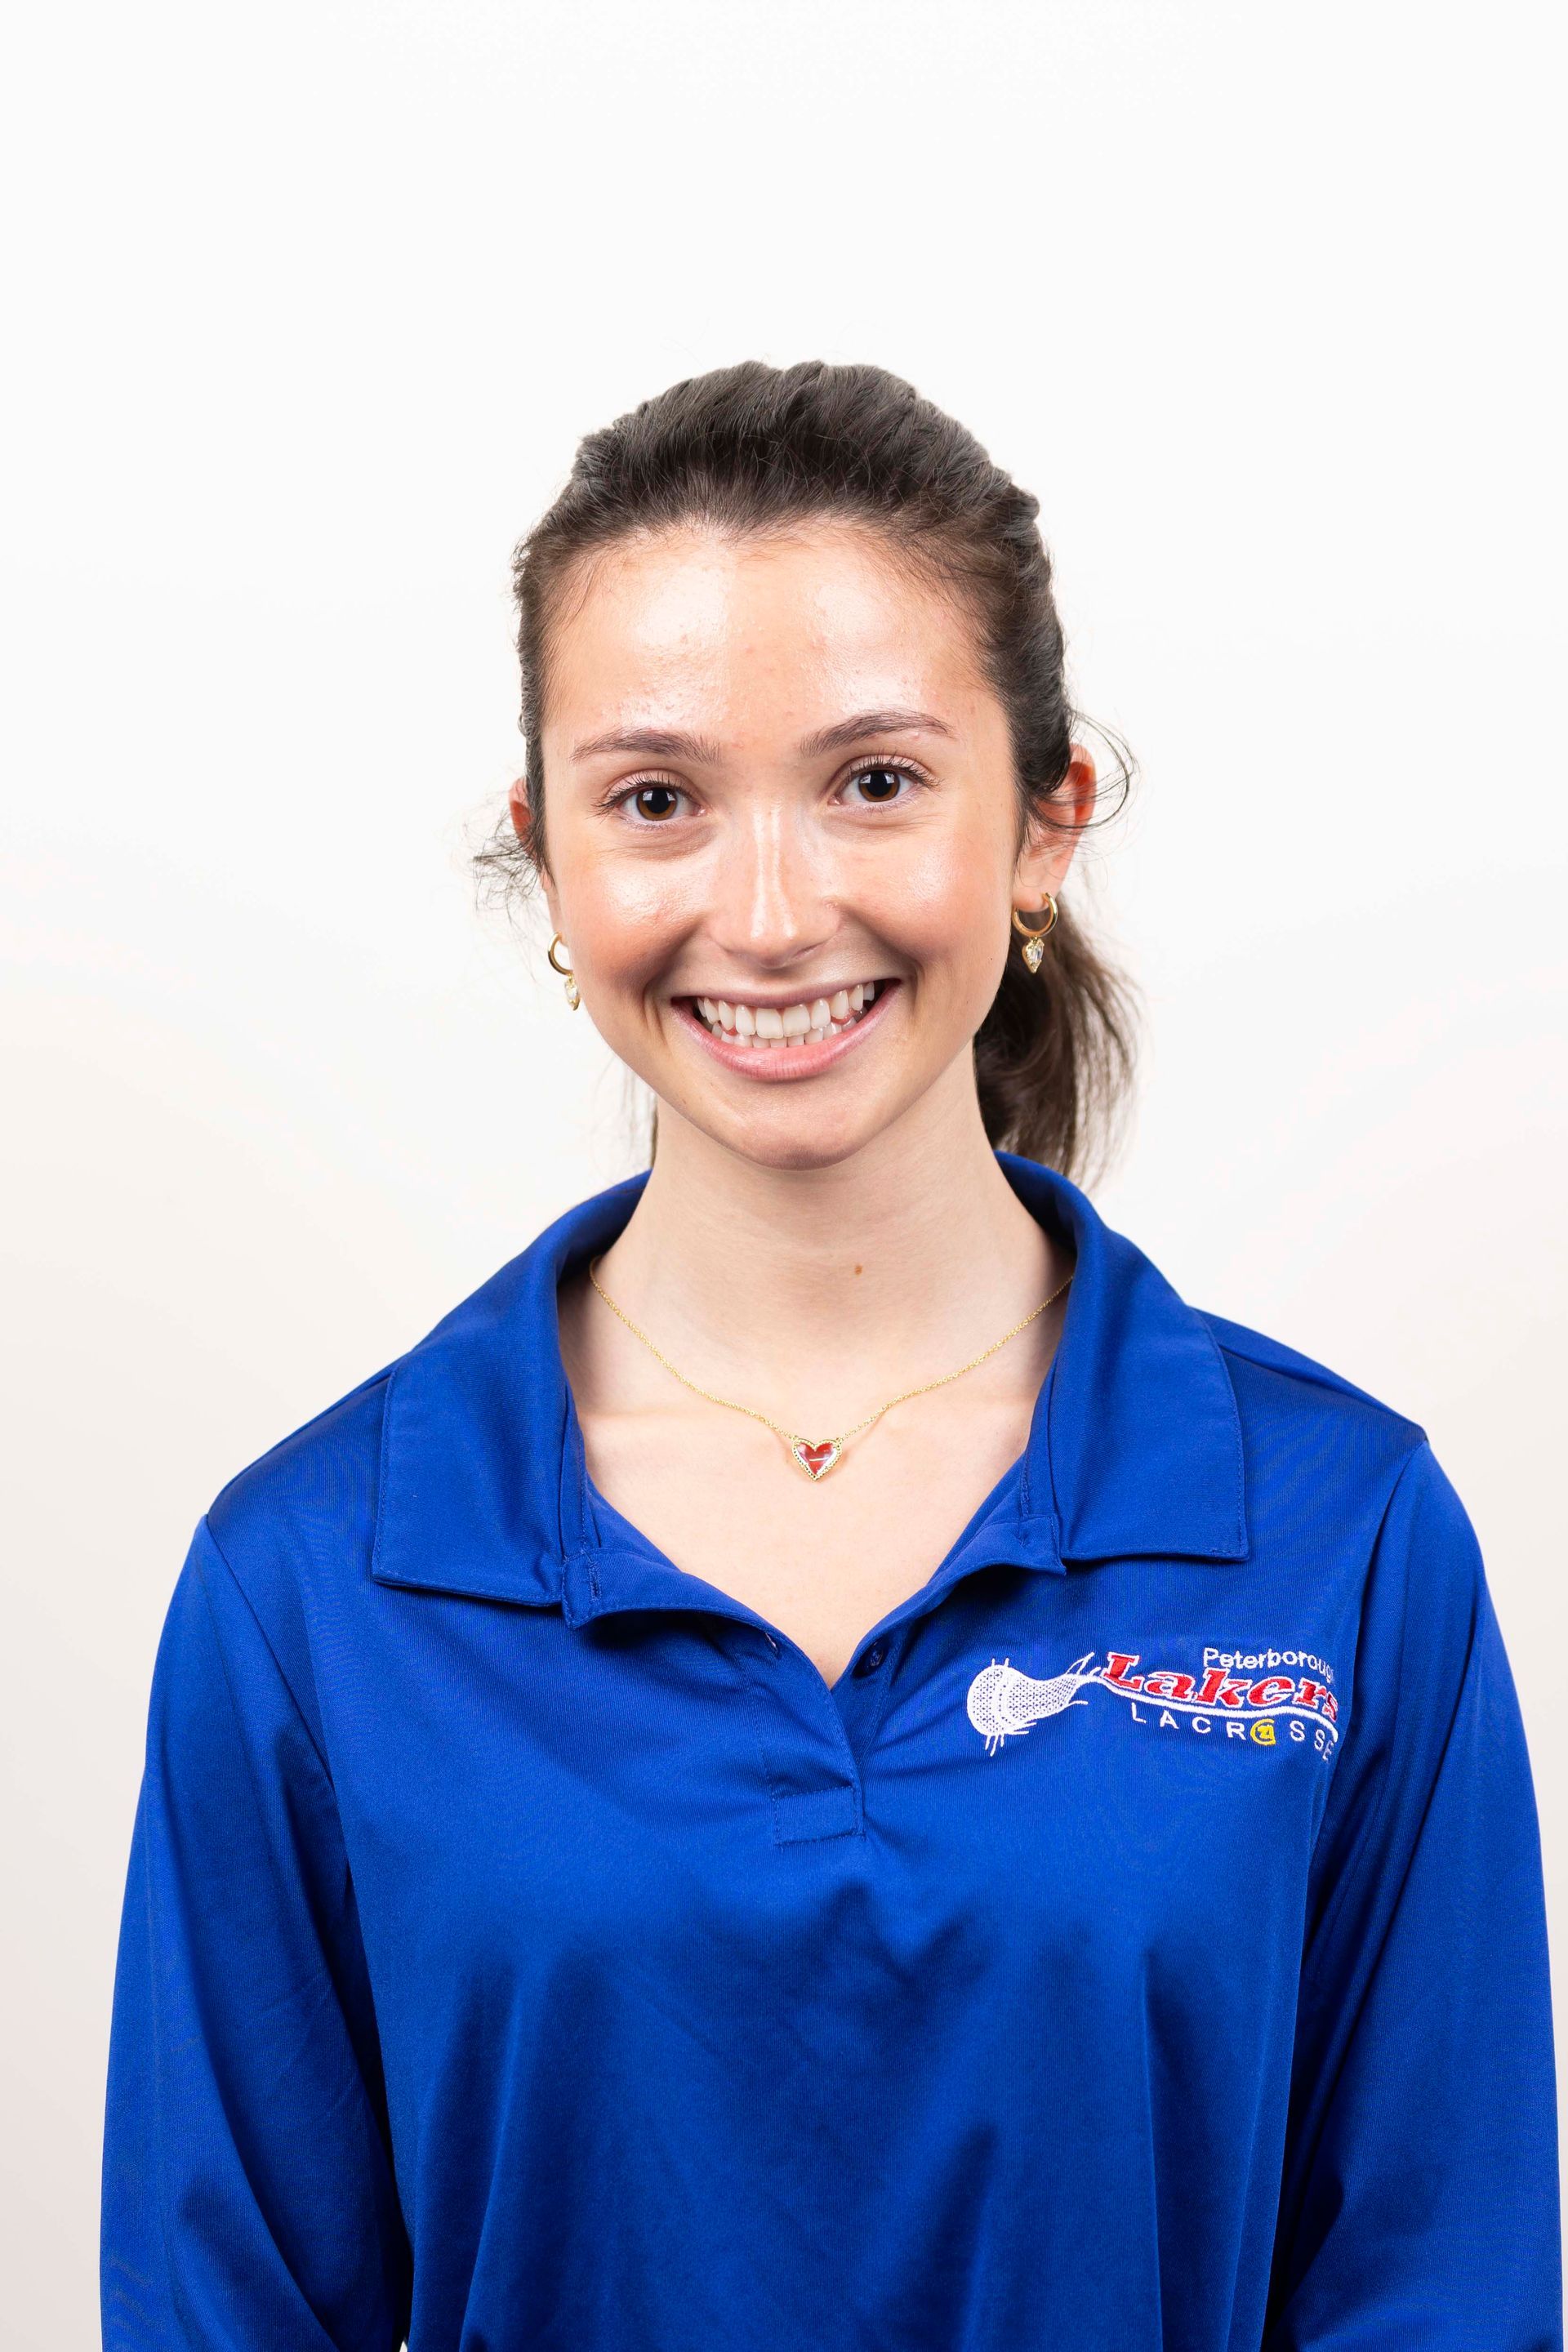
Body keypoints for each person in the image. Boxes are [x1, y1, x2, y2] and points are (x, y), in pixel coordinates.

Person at [100, 361, 1561, 2352]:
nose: (772, 914)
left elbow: (1446, 2294)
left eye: (874, 782)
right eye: (658, 801)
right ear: (548, 852)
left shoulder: (1344, 1538)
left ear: (1045, 821)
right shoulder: (307, 1586)